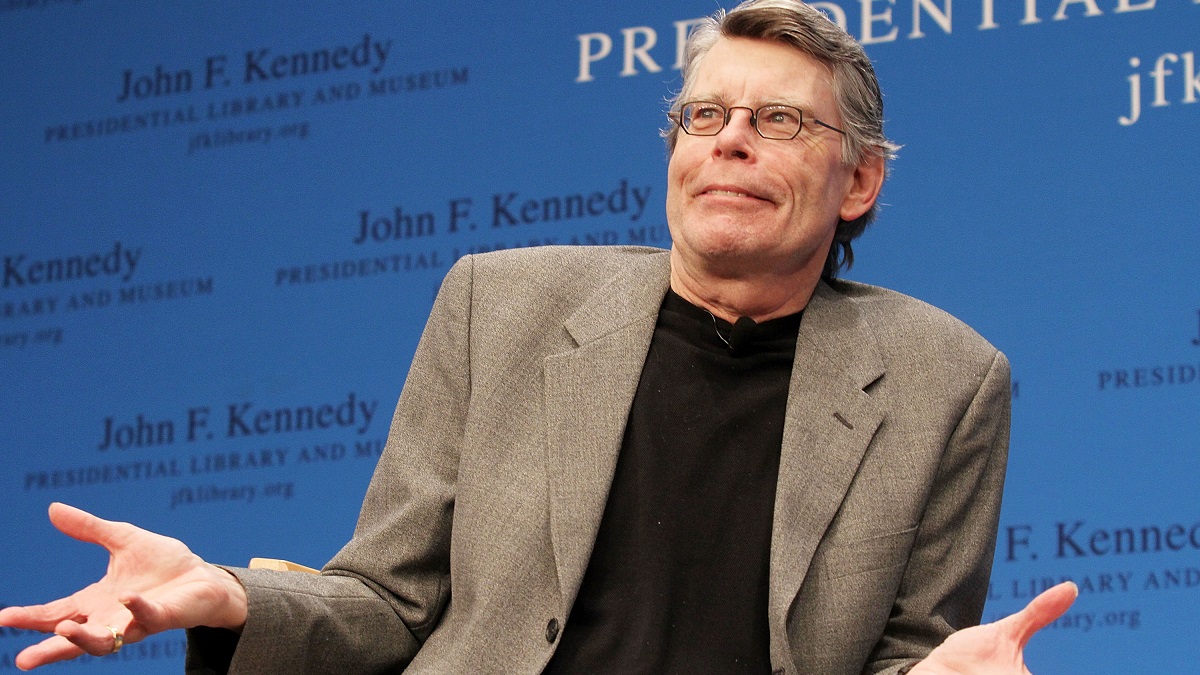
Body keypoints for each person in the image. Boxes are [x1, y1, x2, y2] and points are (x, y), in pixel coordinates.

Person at [0, 1, 1078, 673]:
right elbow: (387, 601)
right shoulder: (500, 305)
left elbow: (907, 659)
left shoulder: (947, 380)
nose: (732, 144)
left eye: (780, 122)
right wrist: (232, 593)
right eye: (705, 117)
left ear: (862, 181)